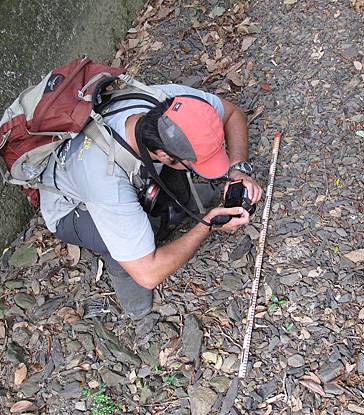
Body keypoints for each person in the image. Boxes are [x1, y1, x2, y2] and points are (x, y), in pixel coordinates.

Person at [38, 83, 263, 319]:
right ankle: (121, 265)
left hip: (111, 168)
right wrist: (206, 225)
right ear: (165, 155)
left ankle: (175, 204)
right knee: (144, 237)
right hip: (70, 208)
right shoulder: (106, 181)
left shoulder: (172, 105)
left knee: (162, 193)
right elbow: (149, 273)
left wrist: (238, 170)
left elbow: (233, 114)